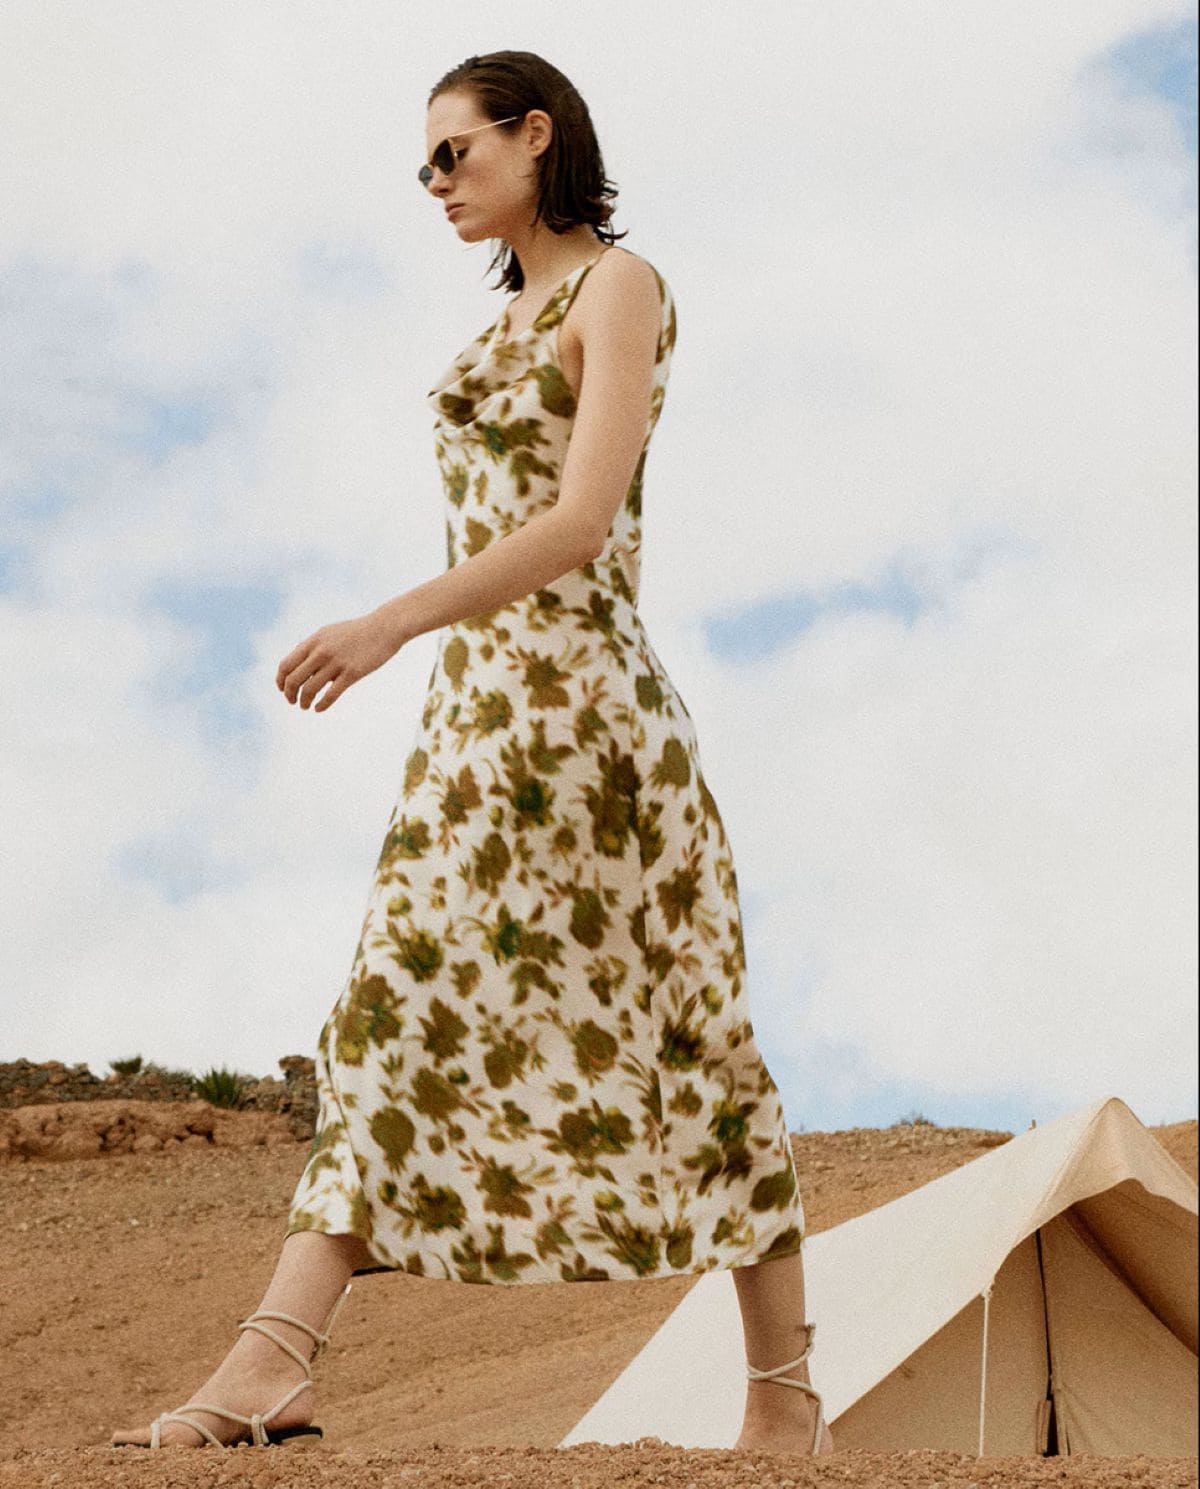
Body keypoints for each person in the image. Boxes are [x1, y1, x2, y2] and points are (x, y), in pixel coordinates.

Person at [111, 48, 834, 1458]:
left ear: (535, 135)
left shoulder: (616, 287)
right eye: (423, 165)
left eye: (455, 152)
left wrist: (386, 623)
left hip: (585, 723)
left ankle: (783, 1399)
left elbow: (580, 524)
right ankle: (276, 1358)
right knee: (395, 1018)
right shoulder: (503, 319)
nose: (435, 183)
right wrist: (426, 661)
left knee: (687, 1030)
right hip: (482, 718)